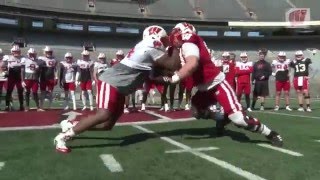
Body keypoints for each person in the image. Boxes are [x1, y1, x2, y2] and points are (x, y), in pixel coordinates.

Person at [54, 25, 181, 153]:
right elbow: (173, 64)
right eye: (164, 39)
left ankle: (73, 125)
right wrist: (176, 46)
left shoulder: (147, 47)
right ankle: (63, 137)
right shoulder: (152, 44)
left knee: (107, 125)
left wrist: (170, 79)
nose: (166, 42)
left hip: (120, 89)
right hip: (111, 82)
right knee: (103, 115)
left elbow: (152, 76)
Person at [165, 22, 283, 147]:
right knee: (196, 112)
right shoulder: (182, 47)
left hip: (217, 84)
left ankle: (271, 133)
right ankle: (222, 119)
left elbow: (192, 64)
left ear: (185, 33)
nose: (173, 35)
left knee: (239, 120)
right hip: (203, 89)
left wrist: (176, 76)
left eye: (177, 31)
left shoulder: (190, 43)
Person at [3, 45, 24, 111]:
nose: (16, 53)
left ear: (19, 51)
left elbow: (23, 69)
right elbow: (3, 66)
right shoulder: (7, 57)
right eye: (15, 51)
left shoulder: (23, 58)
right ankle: (7, 106)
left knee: (20, 91)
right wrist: (5, 71)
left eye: (17, 51)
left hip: (19, 77)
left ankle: (21, 105)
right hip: (11, 77)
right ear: (12, 51)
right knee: (9, 91)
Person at [38, 46, 58, 110]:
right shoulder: (41, 58)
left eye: (50, 52)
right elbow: (39, 68)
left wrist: (56, 77)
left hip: (51, 78)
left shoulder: (54, 59)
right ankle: (41, 106)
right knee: (43, 92)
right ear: (45, 52)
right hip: (43, 78)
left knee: (50, 92)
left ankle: (50, 106)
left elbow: (55, 69)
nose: (49, 53)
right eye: (47, 52)